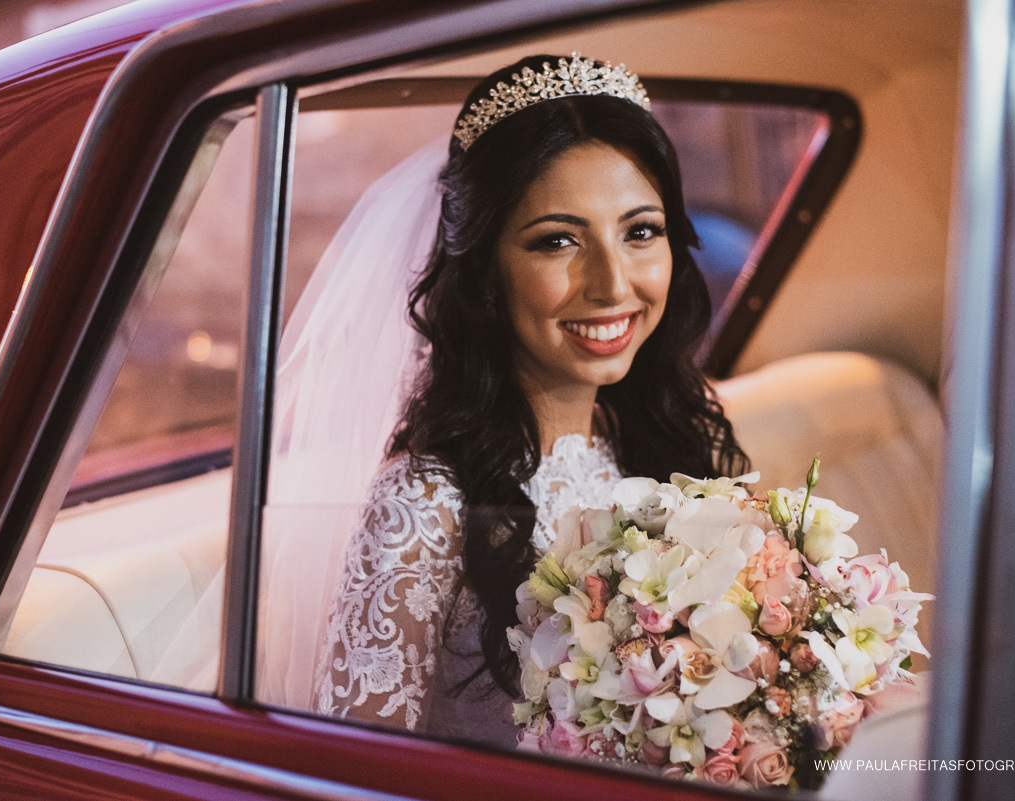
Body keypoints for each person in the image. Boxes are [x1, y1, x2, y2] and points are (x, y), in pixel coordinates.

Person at [303, 53, 749, 746]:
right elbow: (353, 774)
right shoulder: (423, 507)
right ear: (485, 270)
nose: (611, 284)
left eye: (640, 231)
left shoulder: (655, 439)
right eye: (558, 241)